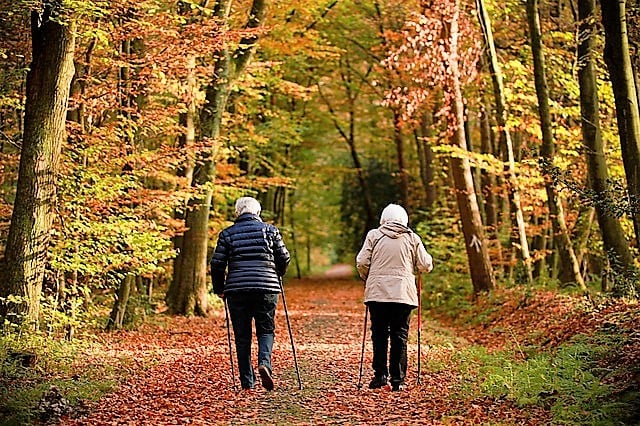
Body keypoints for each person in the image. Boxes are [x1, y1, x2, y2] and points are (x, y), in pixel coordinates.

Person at [211, 196, 291, 391]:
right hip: (266, 287)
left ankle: (247, 381)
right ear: (258, 213)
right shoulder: (270, 231)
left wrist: (219, 289)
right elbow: (284, 257)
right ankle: (265, 363)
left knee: (242, 335)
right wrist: (276, 274)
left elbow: (217, 263)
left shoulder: (227, 234)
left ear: (238, 212)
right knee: (266, 328)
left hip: (237, 290)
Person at [356, 204, 433, 391]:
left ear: (383, 219)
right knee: (400, 335)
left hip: (378, 293)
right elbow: (425, 264)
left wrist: (369, 277)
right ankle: (398, 380)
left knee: (379, 334)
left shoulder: (374, 235)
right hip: (403, 295)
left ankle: (380, 375)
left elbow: (361, 262)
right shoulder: (412, 238)